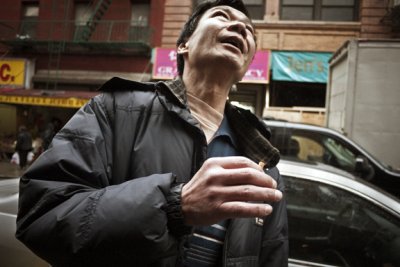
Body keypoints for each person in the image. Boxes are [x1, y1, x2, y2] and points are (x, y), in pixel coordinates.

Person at [16, 0, 288, 266]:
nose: (240, 28)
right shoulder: (115, 110)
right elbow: (41, 216)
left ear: (247, 66)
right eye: (222, 16)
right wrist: (173, 206)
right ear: (184, 46)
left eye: (248, 30)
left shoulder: (263, 164)